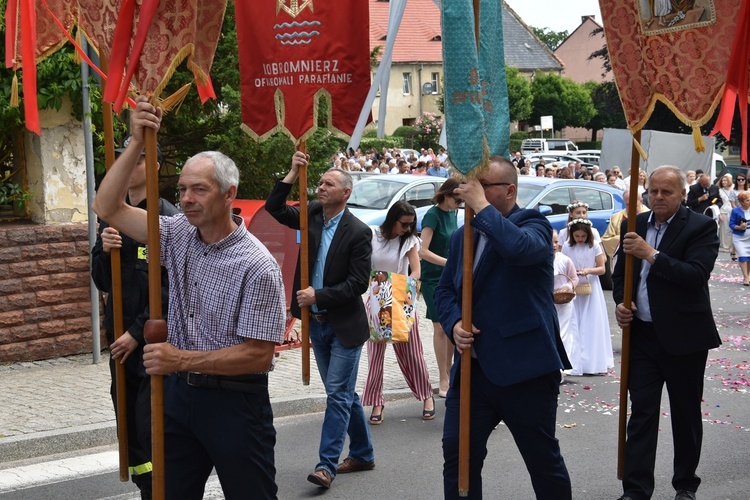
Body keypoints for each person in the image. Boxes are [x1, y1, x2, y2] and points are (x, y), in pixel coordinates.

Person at [92, 96, 286, 500]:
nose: (186, 199)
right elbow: (107, 206)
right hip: (177, 397)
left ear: (230, 192)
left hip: (235, 404)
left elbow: (259, 355)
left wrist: (180, 359)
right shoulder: (178, 234)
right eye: (182, 189)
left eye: (200, 189)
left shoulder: (258, 265)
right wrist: (135, 142)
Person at [435, 156, 572, 499]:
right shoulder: (462, 235)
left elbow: (519, 249)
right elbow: (445, 290)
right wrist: (452, 324)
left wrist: (481, 206)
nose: (469, 192)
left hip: (525, 369)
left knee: (542, 461)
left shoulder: (534, 224)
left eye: (482, 186)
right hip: (473, 371)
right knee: (459, 457)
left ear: (509, 190)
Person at [265, 154, 375, 490]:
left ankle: (326, 465)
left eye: (328, 184)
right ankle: (364, 453)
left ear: (345, 192)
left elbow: (359, 283)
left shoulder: (358, 231)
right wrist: (292, 172)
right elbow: (274, 207)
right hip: (317, 324)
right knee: (341, 393)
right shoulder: (311, 213)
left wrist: (319, 295)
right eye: (320, 182)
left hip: (344, 327)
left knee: (338, 396)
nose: (320, 187)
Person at [613, 165, 721, 500]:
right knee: (642, 413)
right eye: (653, 191)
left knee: (685, 414)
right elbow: (620, 276)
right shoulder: (635, 223)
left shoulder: (701, 226)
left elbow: (695, 274)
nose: (657, 197)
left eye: (666, 192)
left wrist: (651, 254)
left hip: (684, 337)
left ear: (682, 194)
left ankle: (685, 485)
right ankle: (636, 489)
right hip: (642, 336)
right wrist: (621, 301)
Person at [91, 137, 179, 500]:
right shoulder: (111, 214)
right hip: (120, 347)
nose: (130, 166)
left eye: (139, 159)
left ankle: (165, 489)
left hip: (154, 345)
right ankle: (149, 490)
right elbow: (101, 280)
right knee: (128, 424)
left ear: (154, 166)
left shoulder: (168, 218)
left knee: (151, 423)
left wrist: (134, 332)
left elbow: (172, 290)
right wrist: (104, 250)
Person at [362, 201, 435, 423]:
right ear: (393, 219)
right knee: (375, 354)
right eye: (404, 224)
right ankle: (377, 402)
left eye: (411, 225)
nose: (407, 228)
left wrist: (401, 288)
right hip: (377, 298)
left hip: (402, 296)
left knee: (412, 351)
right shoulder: (373, 235)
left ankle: (426, 396)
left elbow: (416, 270)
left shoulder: (410, 240)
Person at [419, 178, 461, 398]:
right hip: (433, 278)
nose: (460, 204)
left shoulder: (453, 213)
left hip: (450, 277)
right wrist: (449, 262)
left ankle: (451, 371)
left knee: (451, 325)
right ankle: (443, 377)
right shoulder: (432, 215)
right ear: (446, 195)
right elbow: (422, 251)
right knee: (440, 327)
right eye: (457, 199)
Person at [561, 219, 614, 375]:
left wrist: (588, 270)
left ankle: (592, 362)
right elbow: (563, 265)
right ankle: (574, 361)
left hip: (591, 287)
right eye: (577, 236)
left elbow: (602, 269)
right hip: (574, 286)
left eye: (583, 236)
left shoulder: (595, 246)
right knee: (574, 321)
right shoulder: (567, 247)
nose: (580, 239)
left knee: (591, 321)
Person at [552, 230, 580, 380]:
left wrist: (567, 287)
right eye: (551, 242)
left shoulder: (565, 260)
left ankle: (562, 369)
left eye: (556, 242)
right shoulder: (541, 260)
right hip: (549, 301)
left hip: (564, 302)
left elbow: (574, 279)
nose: (554, 245)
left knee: (563, 333)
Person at [602, 190, 650, 265]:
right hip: (622, 258)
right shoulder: (616, 217)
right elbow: (607, 239)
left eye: (634, 204)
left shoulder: (650, 216)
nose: (631, 207)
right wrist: (625, 239)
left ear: (641, 201)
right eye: (628, 204)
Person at [729, 191, 750, 285]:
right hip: (739, 238)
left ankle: (748, 275)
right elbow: (731, 224)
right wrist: (739, 227)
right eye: (747, 200)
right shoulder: (735, 211)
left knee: (748, 257)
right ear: (741, 202)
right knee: (742, 256)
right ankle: (745, 277)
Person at [718, 174, 737, 256]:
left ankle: (733, 246)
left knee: (733, 228)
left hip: (733, 210)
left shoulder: (734, 189)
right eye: (722, 180)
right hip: (724, 210)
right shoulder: (720, 190)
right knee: (725, 229)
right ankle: (726, 246)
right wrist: (719, 213)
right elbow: (718, 202)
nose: (723, 182)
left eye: (725, 180)